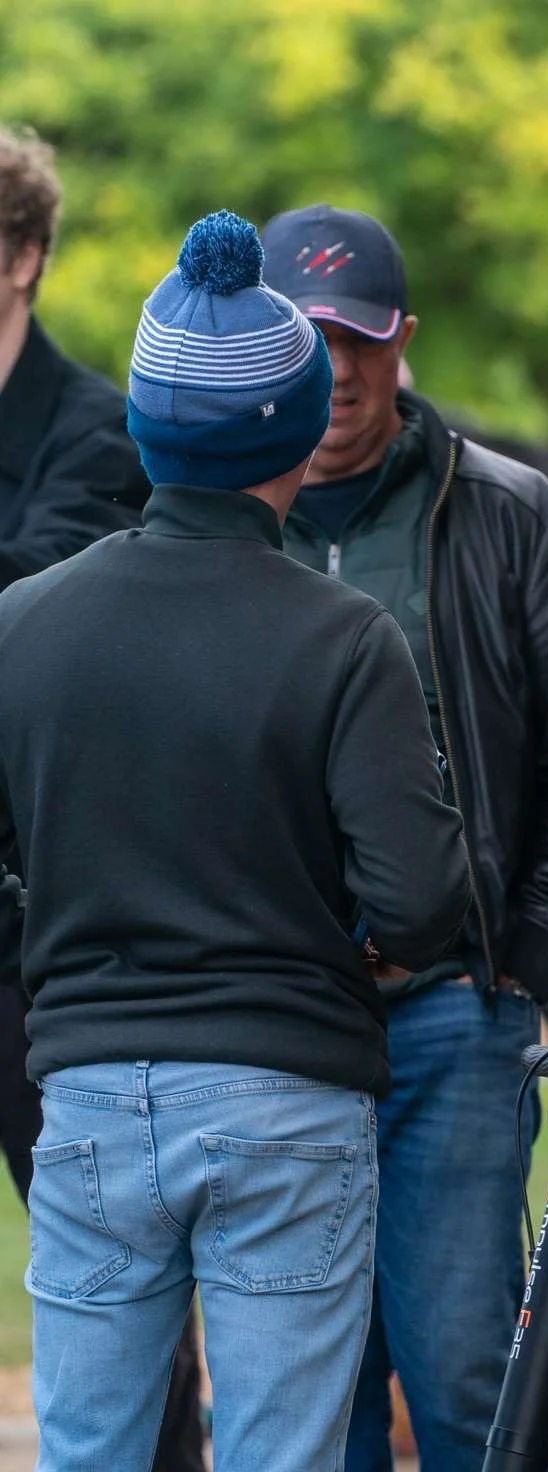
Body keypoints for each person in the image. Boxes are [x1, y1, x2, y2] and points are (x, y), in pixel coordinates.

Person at [0, 210, 470, 1472]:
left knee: (90, 1449)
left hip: (89, 1091)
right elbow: (424, 899)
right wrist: (344, 948)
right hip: (284, 1093)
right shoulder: (344, 634)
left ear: (148, 429)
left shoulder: (23, 623)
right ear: (294, 429)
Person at [258, 203, 548, 1472]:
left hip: (450, 1008)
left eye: (359, 340)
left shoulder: (512, 512)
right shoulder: (206, 520)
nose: (336, 372)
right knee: (310, 1387)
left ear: (404, 340)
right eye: (306, 339)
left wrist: (518, 945)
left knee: (465, 1363)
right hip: (269, 1022)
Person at [0, 123, 151, 1194]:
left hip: (41, 920)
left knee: (101, 1253)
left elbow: (38, 598)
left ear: (23, 256)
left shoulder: (99, 430)